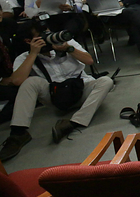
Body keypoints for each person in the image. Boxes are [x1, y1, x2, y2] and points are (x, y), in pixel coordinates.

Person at [0, 20, 113, 161]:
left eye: (47, 32)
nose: (47, 36)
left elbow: (89, 61)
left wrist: (68, 49)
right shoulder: (24, 57)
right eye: (41, 35)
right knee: (30, 82)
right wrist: (33, 53)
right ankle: (18, 133)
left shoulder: (66, 42)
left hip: (81, 91)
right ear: (29, 41)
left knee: (106, 81)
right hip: (54, 97)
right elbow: (17, 81)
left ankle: (73, 123)